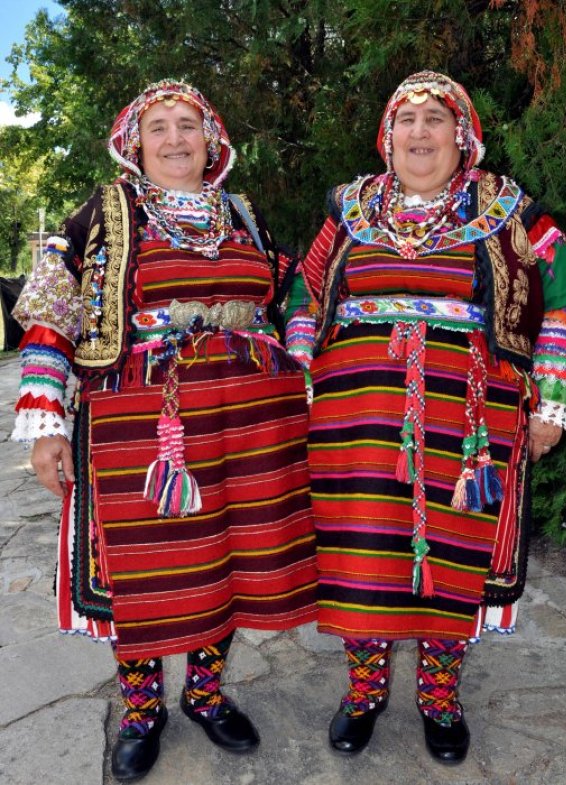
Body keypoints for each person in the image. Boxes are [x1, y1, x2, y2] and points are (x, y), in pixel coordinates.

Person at [11, 79, 317, 781]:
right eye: (160, 127)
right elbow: (50, 308)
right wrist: (45, 420)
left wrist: (295, 358)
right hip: (142, 418)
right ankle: (143, 709)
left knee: (228, 558)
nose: (175, 139)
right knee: (144, 566)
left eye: (189, 126)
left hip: (248, 417)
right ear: (134, 142)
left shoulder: (241, 211)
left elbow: (293, 290)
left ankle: (206, 694)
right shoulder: (104, 211)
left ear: (212, 141)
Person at [286, 71, 566, 764]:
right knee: (363, 554)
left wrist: (553, 400)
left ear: (463, 135)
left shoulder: (510, 209)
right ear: (386, 137)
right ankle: (364, 691)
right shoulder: (350, 207)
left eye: (434, 119)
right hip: (352, 419)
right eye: (406, 120)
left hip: (467, 422)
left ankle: (439, 695)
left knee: (451, 556)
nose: (419, 132)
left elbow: (563, 300)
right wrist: (302, 369)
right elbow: (306, 290)